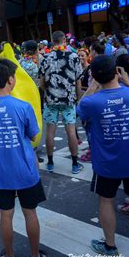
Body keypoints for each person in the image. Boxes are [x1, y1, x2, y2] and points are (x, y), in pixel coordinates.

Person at [0, 59, 47, 257]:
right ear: (10, 79)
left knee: (5, 215)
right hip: (25, 169)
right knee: (30, 213)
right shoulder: (23, 107)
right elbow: (34, 136)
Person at [77, 55, 129, 257]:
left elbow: (81, 106)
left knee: (106, 201)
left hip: (107, 164)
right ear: (117, 71)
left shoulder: (92, 103)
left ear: (94, 77)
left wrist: (92, 85)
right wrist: (127, 81)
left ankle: (110, 246)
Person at [39, 30, 83, 174]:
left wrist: (48, 92)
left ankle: (50, 162)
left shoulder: (45, 58)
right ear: (64, 40)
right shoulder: (74, 56)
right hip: (69, 100)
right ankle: (75, 164)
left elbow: (41, 83)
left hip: (51, 100)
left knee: (50, 131)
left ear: (52, 40)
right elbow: (78, 82)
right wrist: (79, 99)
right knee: (71, 131)